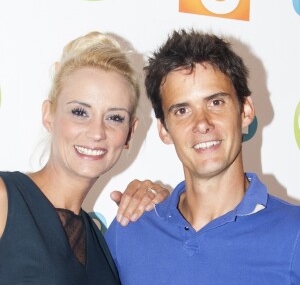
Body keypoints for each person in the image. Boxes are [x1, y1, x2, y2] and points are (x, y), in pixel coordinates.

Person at [105, 29, 300, 284]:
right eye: (182, 110)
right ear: (164, 130)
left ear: (246, 111)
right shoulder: (128, 232)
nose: (202, 123)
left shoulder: (294, 233)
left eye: (215, 103)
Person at [0, 31, 169, 284]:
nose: (97, 132)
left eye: (114, 118)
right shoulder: (5, 199)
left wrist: (166, 209)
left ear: (130, 133)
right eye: (80, 112)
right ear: (49, 115)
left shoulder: (102, 244)